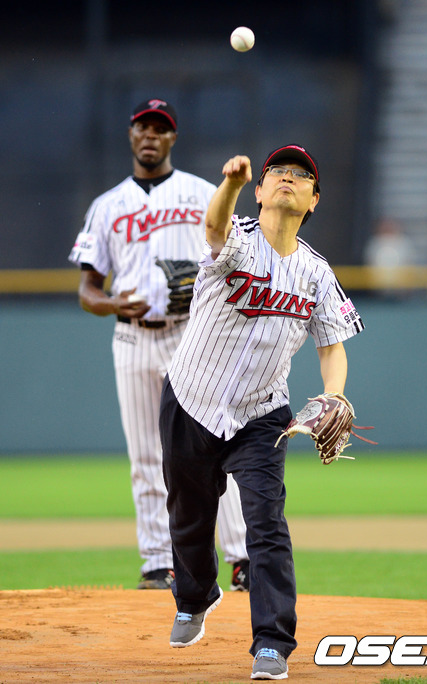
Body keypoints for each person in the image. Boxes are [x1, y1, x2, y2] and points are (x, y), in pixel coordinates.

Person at [159, 145, 365, 679]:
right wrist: (228, 183)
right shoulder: (238, 240)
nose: (288, 179)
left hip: (262, 415)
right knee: (188, 514)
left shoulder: (316, 273)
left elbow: (332, 344)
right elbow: (213, 226)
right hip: (191, 398)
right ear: (259, 190)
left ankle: (272, 642)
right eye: (278, 172)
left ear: (314, 200)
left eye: (302, 176)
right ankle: (196, 596)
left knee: (266, 524)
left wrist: (335, 393)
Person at [68, 98, 249, 592]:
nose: (150, 135)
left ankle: (242, 557)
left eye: (160, 128)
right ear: (131, 134)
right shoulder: (107, 206)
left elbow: (236, 257)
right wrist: (110, 304)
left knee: (215, 444)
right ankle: (157, 561)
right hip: (132, 337)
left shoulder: (202, 193)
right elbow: (87, 290)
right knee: (146, 454)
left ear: (173, 137)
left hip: (193, 335)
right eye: (143, 127)